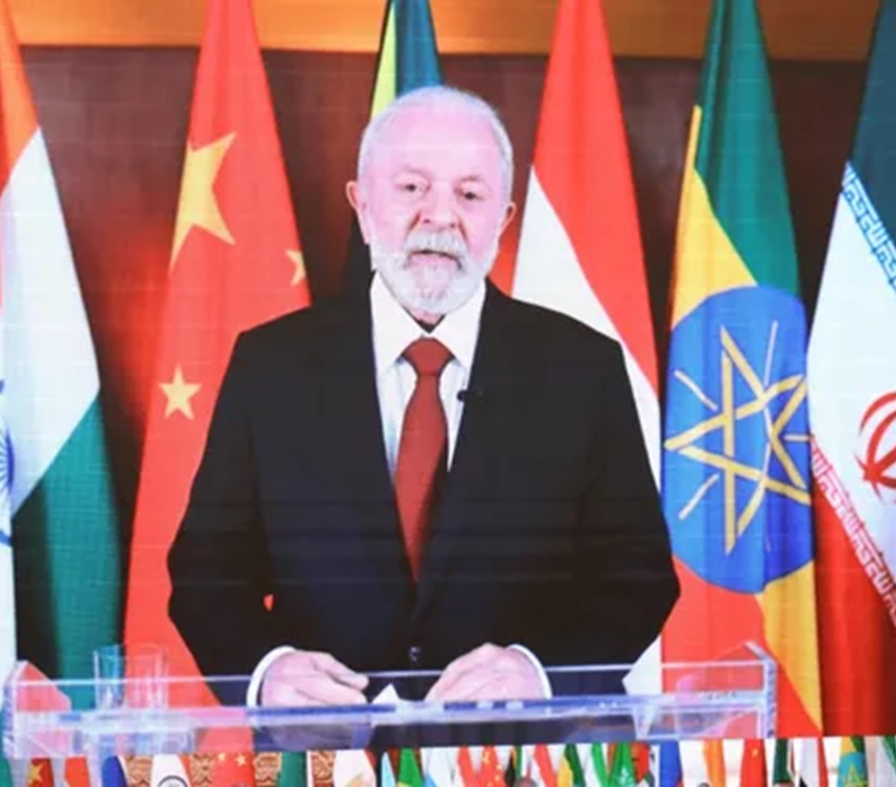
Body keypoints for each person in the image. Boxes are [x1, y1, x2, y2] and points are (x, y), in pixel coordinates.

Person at [167, 85, 678, 709]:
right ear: (362, 207)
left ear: (504, 220)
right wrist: (265, 670)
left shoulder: (584, 368)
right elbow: (208, 569)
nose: (440, 217)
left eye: (470, 195)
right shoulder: (270, 365)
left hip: (522, 744)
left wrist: (539, 672)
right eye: (412, 188)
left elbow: (636, 572)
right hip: (325, 743)